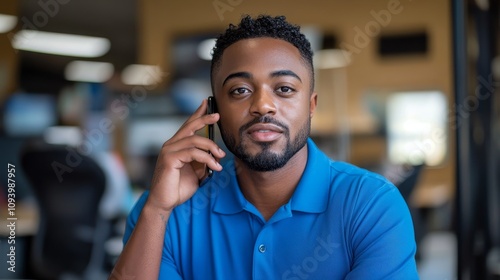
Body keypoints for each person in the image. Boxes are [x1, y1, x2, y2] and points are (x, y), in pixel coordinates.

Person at [110, 15, 419, 279]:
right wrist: (157, 211)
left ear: (311, 106)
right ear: (212, 110)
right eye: (240, 90)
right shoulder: (167, 209)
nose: (262, 106)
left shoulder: (371, 205)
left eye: (284, 89)